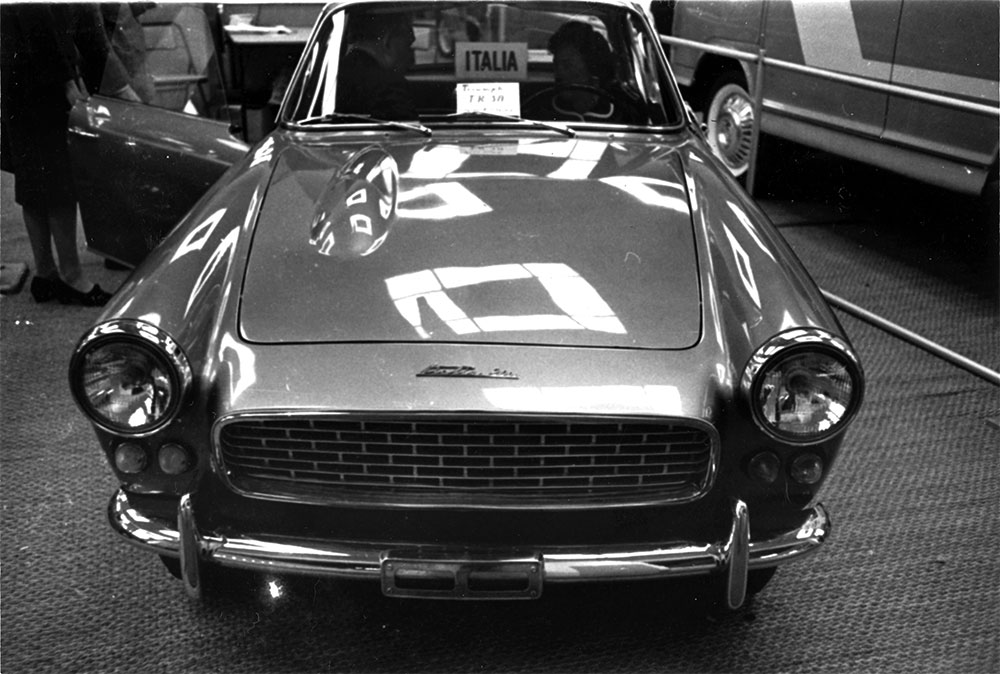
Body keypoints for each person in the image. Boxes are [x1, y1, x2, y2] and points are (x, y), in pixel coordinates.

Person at [0, 4, 139, 306]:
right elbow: (42, 26)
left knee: (34, 182)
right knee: (58, 181)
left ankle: (46, 273)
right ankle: (71, 276)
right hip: (44, 83)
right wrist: (68, 82)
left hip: (20, 79)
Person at [336, 11, 417, 120]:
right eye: (407, 45)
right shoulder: (390, 87)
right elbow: (411, 132)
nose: (410, 54)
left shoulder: (332, 76)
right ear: (387, 40)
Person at [539, 21, 621, 122]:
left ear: (591, 67)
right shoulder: (543, 110)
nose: (559, 73)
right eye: (556, 65)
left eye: (568, 65)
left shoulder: (620, 112)